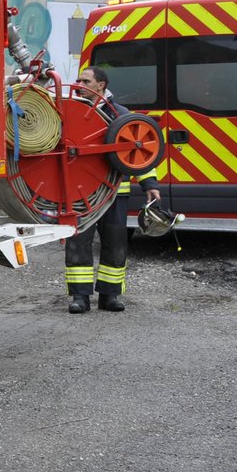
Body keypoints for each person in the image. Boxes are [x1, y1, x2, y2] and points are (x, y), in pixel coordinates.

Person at [64, 65, 161, 314]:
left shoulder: (120, 114)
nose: (79, 85)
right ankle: (80, 297)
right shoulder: (71, 111)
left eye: (85, 82)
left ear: (101, 85)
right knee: (78, 244)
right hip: (81, 194)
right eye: (78, 81)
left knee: (115, 244)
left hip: (115, 194)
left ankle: (110, 296)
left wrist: (150, 184)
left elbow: (138, 153)